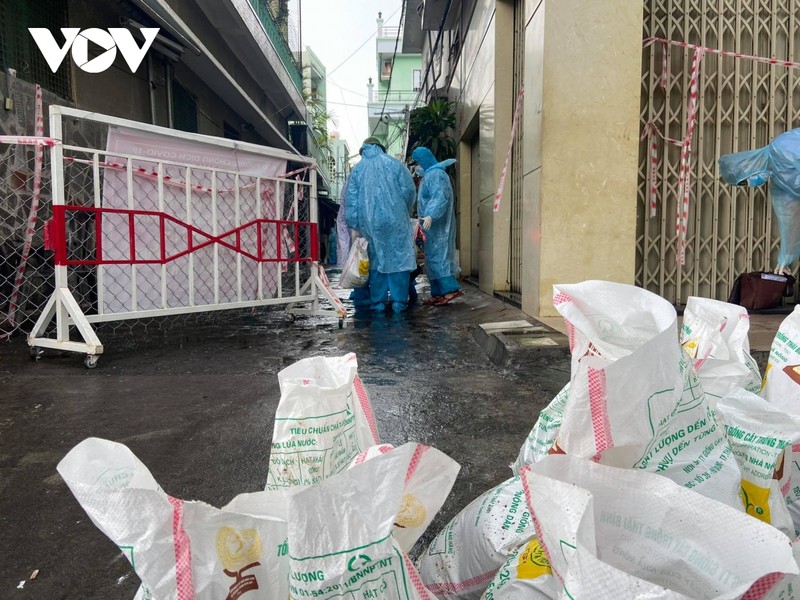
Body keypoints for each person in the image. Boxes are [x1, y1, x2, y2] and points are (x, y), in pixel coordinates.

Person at [346, 137, 416, 313]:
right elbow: (408, 191)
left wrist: (355, 223)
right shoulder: (396, 165)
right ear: (382, 148)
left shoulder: (357, 169)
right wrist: (402, 211)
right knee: (399, 258)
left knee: (376, 260)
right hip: (396, 220)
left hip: (370, 224)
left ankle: (378, 303)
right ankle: (399, 302)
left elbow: (351, 200)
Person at [411, 146, 462, 305]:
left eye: (418, 161)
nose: (417, 165)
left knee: (440, 257)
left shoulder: (437, 175)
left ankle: (450, 290)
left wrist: (431, 215)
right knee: (432, 259)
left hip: (437, 226)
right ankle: (439, 292)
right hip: (431, 228)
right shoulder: (429, 175)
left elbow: (440, 197)